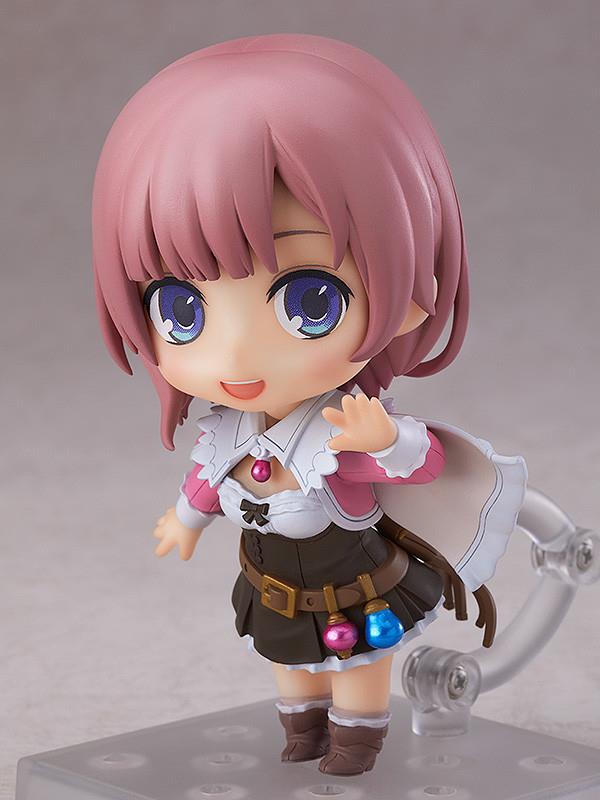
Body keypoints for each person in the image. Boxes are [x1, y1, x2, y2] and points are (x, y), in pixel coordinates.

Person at [92, 33, 526, 776]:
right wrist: (186, 518)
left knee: (358, 664)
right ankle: (301, 731)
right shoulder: (229, 430)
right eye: (181, 310)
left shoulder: (335, 435)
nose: (235, 358)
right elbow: (209, 477)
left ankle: (357, 737)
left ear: (407, 297)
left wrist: (384, 440)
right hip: (275, 584)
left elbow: (421, 465)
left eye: (309, 301)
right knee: (286, 657)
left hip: (355, 586)